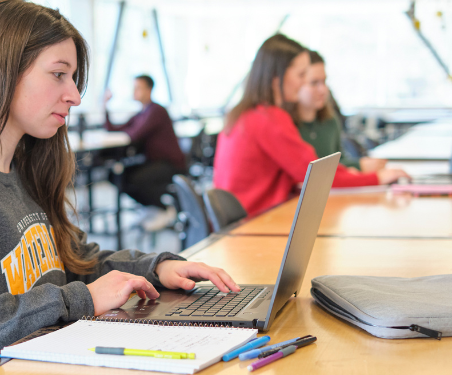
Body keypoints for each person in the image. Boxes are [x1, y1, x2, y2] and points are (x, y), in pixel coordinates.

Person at [0, 0, 239, 375]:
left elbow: (75, 261)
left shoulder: (24, 166)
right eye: (58, 74)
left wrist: (155, 268)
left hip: (49, 361)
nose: (75, 96)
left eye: (73, 78)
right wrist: (80, 300)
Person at [213, 34, 408, 216]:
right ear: (276, 78)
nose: (303, 83)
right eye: (300, 75)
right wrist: (379, 178)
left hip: (241, 223)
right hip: (254, 224)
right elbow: (316, 175)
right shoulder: (269, 119)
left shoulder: (244, 114)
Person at [103, 75, 186, 231]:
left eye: (138, 88)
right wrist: (105, 106)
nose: (134, 91)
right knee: (115, 176)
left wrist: (128, 130)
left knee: (137, 179)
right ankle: (151, 207)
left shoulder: (156, 111)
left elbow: (135, 134)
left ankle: (164, 209)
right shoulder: (142, 112)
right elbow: (114, 129)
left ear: (149, 90)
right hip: (153, 161)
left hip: (169, 164)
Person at [295, 51, 391, 173]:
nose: (323, 90)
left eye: (324, 82)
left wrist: (361, 164)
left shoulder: (330, 120)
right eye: (314, 83)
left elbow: (339, 162)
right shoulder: (286, 125)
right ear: (296, 84)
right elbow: (310, 170)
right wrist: (360, 166)